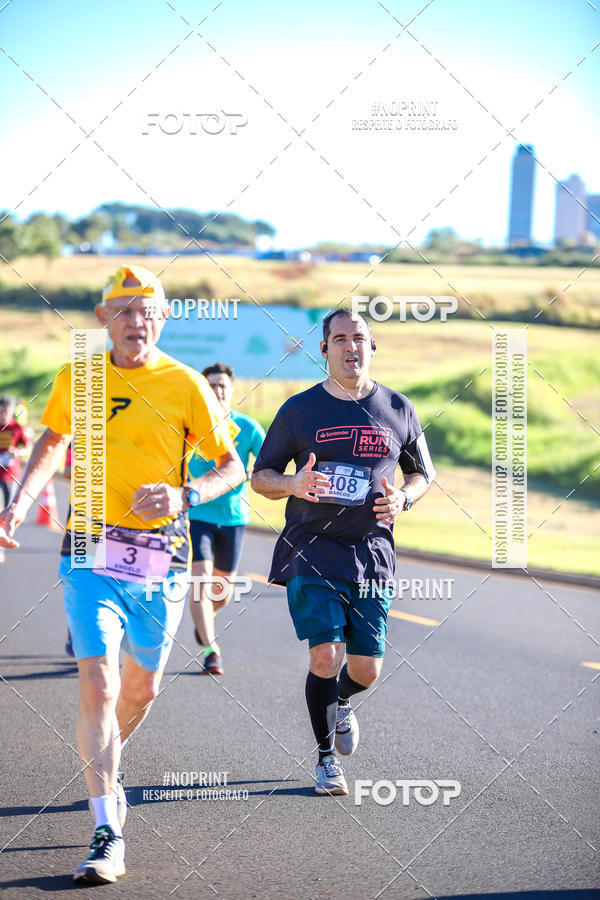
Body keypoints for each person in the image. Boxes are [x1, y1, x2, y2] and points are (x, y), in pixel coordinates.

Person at [0, 265, 245, 884]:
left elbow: (231, 467)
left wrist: (185, 494)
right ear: (103, 319)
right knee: (99, 684)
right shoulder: (80, 377)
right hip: (88, 544)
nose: (136, 322)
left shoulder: (185, 385)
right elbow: (52, 442)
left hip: (161, 553)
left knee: (142, 689)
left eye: (147, 311)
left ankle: (106, 751)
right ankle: (107, 827)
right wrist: (20, 503)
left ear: (162, 319)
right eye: (124, 311)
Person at [251, 308, 436, 796]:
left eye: (359, 338)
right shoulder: (299, 410)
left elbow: (423, 473)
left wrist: (404, 498)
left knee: (365, 670)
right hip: (312, 546)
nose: (351, 347)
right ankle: (326, 761)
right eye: (340, 339)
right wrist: (293, 483)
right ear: (324, 349)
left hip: (372, 551)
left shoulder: (398, 407)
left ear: (372, 347)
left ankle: (343, 700)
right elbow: (260, 476)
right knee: (325, 655)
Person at [187, 362, 265, 675]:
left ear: (232, 390)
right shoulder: (191, 429)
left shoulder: (247, 428)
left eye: (222, 385)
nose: (218, 390)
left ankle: (205, 618)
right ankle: (211, 651)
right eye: (212, 385)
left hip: (233, 518)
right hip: (197, 515)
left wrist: (253, 473)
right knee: (200, 581)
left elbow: (270, 463)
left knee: (222, 593)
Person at [0, 394, 31, 563]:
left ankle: (2, 545)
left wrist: (18, 452)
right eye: (1, 412)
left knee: (7, 512)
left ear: (12, 411)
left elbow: (27, 447)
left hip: (10, 474)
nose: (4, 415)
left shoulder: (17, 428)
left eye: (7, 412)